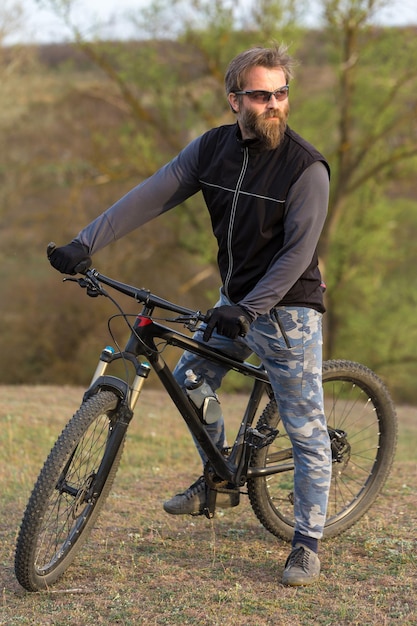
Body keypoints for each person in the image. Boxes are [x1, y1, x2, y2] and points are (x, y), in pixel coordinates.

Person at [49, 44, 332, 586]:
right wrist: (84, 242)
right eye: (260, 94)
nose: (273, 104)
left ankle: (306, 541)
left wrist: (249, 307)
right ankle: (220, 480)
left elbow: (297, 254)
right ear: (234, 100)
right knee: (191, 379)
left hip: (288, 307)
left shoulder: (306, 167)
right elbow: (149, 196)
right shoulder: (212, 151)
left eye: (281, 93)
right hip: (236, 303)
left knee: (304, 427)